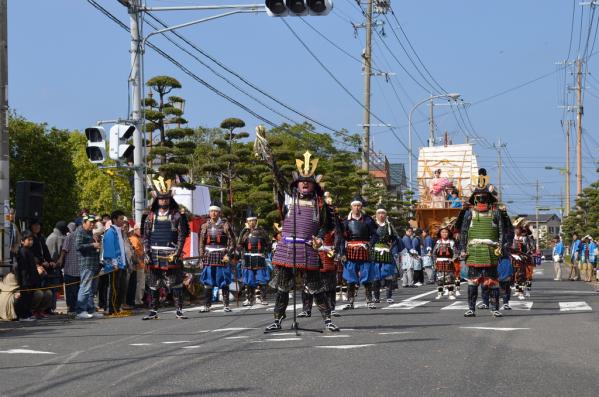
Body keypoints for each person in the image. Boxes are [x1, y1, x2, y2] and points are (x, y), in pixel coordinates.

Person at [264, 150, 338, 332]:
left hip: (307, 247)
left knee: (316, 287)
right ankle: (277, 320)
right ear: (296, 185)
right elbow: (279, 179)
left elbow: (326, 225)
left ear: (314, 186)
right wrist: (271, 160)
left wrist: (320, 238)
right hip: (287, 247)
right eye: (302, 182)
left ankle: (328, 320)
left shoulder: (320, 204)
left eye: (309, 182)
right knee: (282, 287)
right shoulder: (288, 199)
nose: (305, 184)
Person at [142, 177, 189, 320]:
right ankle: (153, 311)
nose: (164, 201)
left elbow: (182, 236)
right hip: (154, 253)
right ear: (157, 200)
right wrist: (146, 253)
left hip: (171, 253)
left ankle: (179, 310)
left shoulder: (176, 215)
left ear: (170, 199)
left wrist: (178, 252)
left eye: (166, 199)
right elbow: (145, 235)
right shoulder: (150, 216)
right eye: (161, 199)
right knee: (153, 284)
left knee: (176, 283)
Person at [460, 168, 505, 318]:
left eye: (484, 197)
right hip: (473, 251)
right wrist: (462, 249)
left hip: (491, 251)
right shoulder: (469, 213)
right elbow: (464, 233)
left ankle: (495, 308)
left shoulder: (496, 213)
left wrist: (501, 247)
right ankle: (471, 308)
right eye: (478, 198)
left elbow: (501, 232)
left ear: (489, 198)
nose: (481, 200)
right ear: (474, 199)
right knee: (473, 282)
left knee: (492, 282)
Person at [198, 201, 236, 313]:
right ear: (209, 212)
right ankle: (207, 305)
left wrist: (228, 254)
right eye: (211, 211)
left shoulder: (225, 225)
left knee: (223, 279)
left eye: (215, 211)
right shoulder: (204, 226)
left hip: (222, 255)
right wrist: (201, 258)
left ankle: (226, 304)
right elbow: (201, 243)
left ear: (219, 212)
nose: (213, 213)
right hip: (208, 255)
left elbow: (232, 241)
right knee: (208, 281)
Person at [342, 195, 378, 310]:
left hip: (365, 249)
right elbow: (341, 237)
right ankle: (350, 301)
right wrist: (342, 252)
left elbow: (375, 235)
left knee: (367, 276)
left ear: (361, 206)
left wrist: (370, 244)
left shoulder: (368, 220)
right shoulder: (346, 221)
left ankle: (369, 300)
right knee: (350, 277)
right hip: (350, 251)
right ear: (351, 206)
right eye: (355, 205)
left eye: (359, 205)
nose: (357, 208)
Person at [14, 231, 52, 321]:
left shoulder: (29, 251)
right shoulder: (22, 251)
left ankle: (32, 313)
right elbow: (23, 270)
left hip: (31, 281)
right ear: (22, 241)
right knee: (26, 299)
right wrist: (23, 283)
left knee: (37, 296)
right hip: (25, 281)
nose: (31, 241)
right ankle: (24, 316)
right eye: (28, 240)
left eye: (32, 240)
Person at [238, 207, 271, 307]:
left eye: (253, 220)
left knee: (261, 280)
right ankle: (249, 299)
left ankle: (262, 298)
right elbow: (240, 245)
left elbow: (268, 244)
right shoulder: (244, 232)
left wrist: (265, 253)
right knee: (248, 280)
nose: (252, 222)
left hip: (259, 257)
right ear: (247, 222)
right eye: (250, 221)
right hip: (248, 258)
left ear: (256, 221)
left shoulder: (262, 231)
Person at [370, 204, 401, 304]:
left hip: (387, 252)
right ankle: (376, 297)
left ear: (386, 215)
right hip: (374, 253)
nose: (381, 215)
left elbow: (396, 238)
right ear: (376, 215)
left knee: (388, 274)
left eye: (383, 213)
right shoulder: (371, 225)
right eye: (379, 213)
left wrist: (393, 248)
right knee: (375, 275)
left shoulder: (389, 226)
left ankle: (389, 296)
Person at [75, 215, 103, 320]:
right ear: (84, 222)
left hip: (94, 263)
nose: (92, 224)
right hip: (86, 264)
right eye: (90, 222)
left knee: (92, 289)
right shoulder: (80, 231)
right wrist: (93, 245)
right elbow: (78, 246)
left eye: (93, 222)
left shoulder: (89, 232)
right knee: (85, 287)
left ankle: (90, 309)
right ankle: (80, 310)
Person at [29, 219, 59, 314]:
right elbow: (31, 254)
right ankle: (35, 309)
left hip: (45, 267)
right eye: (35, 225)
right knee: (38, 290)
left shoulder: (41, 237)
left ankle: (47, 308)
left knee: (50, 287)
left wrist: (50, 261)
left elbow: (45, 251)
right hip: (36, 267)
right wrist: (41, 263)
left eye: (38, 225)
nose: (37, 227)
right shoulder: (30, 238)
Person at [102, 210, 129, 315]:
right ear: (114, 220)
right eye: (121, 219)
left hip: (121, 264)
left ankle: (117, 308)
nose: (123, 221)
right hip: (114, 265)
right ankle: (112, 309)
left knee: (121, 287)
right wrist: (114, 263)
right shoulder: (110, 232)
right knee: (114, 287)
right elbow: (109, 248)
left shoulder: (119, 231)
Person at [59, 222, 80, 313]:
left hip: (70, 268)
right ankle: (73, 308)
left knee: (71, 290)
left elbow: (64, 250)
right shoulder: (72, 236)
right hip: (74, 268)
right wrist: (60, 259)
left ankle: (72, 308)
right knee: (74, 291)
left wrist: (60, 260)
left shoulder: (70, 236)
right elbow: (64, 250)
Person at [433, 226, 457, 300]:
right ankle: (440, 293)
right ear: (440, 233)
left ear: (449, 233)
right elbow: (434, 253)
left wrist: (452, 259)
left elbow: (456, 253)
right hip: (439, 262)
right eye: (442, 232)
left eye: (446, 232)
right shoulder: (438, 242)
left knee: (449, 278)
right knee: (439, 278)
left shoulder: (451, 242)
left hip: (448, 262)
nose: (444, 233)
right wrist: (435, 261)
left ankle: (451, 294)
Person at [128, 223, 146, 307]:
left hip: (141, 264)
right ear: (135, 230)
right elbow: (135, 252)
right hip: (138, 264)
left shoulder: (138, 238)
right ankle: (138, 301)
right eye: (140, 229)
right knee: (140, 283)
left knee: (140, 283)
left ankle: (139, 300)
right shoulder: (134, 239)